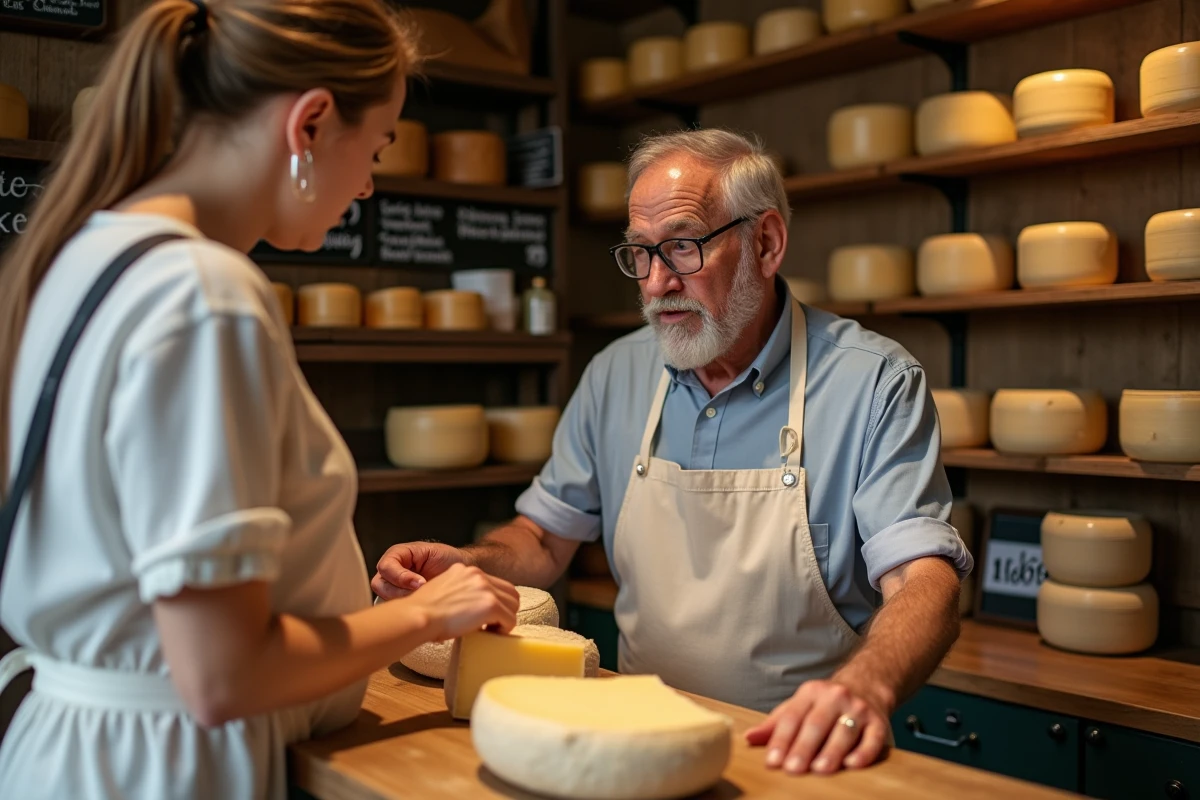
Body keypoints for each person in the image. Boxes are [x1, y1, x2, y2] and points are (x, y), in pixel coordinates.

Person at [0, 1, 520, 797]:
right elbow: (221, 673)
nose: (371, 186)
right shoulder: (202, 292)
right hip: (162, 769)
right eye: (375, 146)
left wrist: (337, 598)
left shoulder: (77, 260)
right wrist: (429, 614)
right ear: (309, 124)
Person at [374, 128, 974, 776]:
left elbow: (924, 579)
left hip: (799, 751)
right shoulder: (615, 375)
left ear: (766, 243)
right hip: (638, 744)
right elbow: (544, 540)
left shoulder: (873, 382)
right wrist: (465, 563)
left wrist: (866, 688)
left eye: (683, 248)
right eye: (640, 253)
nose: (656, 283)